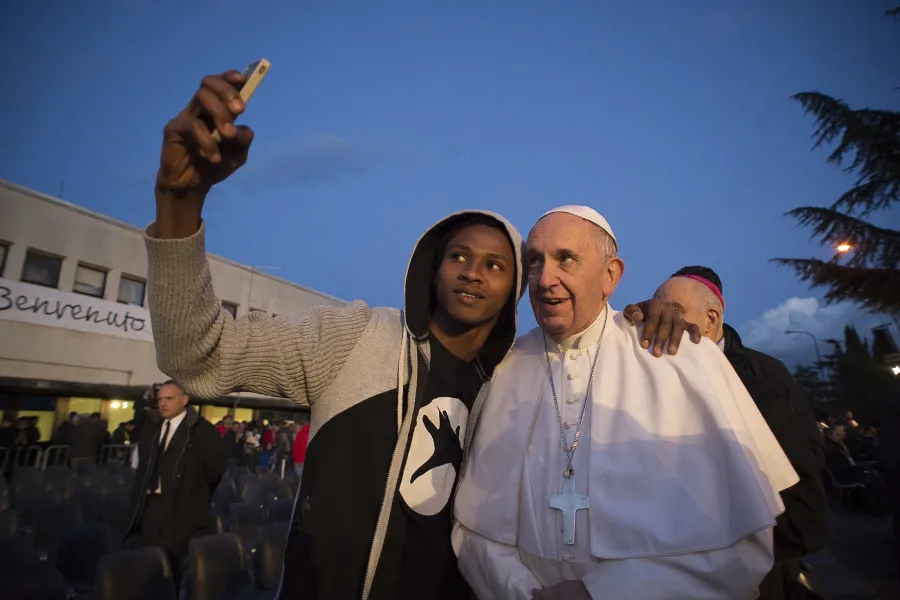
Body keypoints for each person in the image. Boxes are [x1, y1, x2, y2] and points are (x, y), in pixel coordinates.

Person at [144, 67, 532, 600]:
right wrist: (178, 204)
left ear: (515, 291)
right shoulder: (354, 339)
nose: (472, 272)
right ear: (432, 266)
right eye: (459, 256)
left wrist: (678, 301)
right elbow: (199, 357)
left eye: (494, 265)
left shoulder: (515, 388)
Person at [453, 206, 799, 600]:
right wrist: (520, 592)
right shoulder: (504, 366)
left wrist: (603, 593)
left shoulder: (680, 355)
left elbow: (743, 548)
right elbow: (473, 530)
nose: (546, 279)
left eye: (566, 259)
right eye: (535, 262)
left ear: (610, 275)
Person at [650, 266, 828, 600]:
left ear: (711, 317)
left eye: (672, 311)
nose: (659, 320)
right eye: (655, 309)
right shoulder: (649, 365)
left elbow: (802, 513)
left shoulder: (765, 377)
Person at [126, 380, 226, 590]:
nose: (163, 403)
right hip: (151, 505)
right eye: (160, 399)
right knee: (150, 563)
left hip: (183, 508)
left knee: (174, 566)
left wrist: (194, 491)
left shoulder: (202, 431)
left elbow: (215, 469)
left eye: (169, 398)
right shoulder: (152, 426)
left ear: (184, 400)